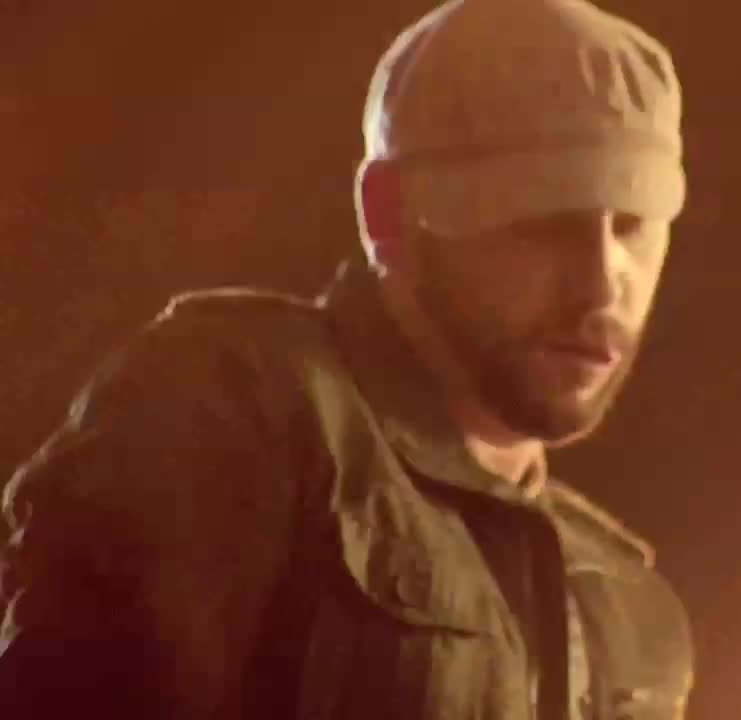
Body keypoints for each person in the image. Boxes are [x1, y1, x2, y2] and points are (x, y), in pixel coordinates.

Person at [0, 0, 694, 717]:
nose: (602, 283)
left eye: (633, 226)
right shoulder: (241, 414)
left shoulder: (623, 604)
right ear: (387, 213)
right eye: (543, 223)